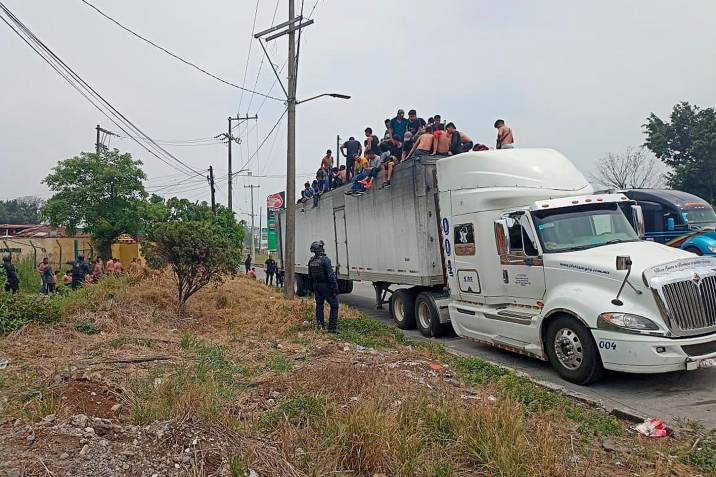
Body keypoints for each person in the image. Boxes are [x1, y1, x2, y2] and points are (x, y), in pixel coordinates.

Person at [308, 240, 339, 332]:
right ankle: (332, 328)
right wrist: (335, 287)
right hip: (325, 286)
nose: (323, 248)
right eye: (321, 247)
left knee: (319, 305)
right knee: (334, 305)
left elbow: (309, 276)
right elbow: (330, 275)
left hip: (316, 286)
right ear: (319, 249)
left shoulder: (311, 261)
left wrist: (311, 288)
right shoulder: (325, 260)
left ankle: (320, 325)